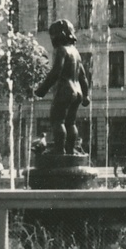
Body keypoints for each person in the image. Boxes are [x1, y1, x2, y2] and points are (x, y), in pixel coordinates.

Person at [34, 19, 90, 155]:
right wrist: (86, 94)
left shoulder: (60, 50)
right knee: (70, 122)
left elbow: (56, 71)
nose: (52, 38)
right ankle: (70, 150)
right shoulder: (76, 52)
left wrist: (42, 89)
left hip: (65, 90)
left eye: (53, 35)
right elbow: (83, 76)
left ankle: (59, 151)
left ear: (60, 34)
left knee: (57, 120)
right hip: (77, 92)